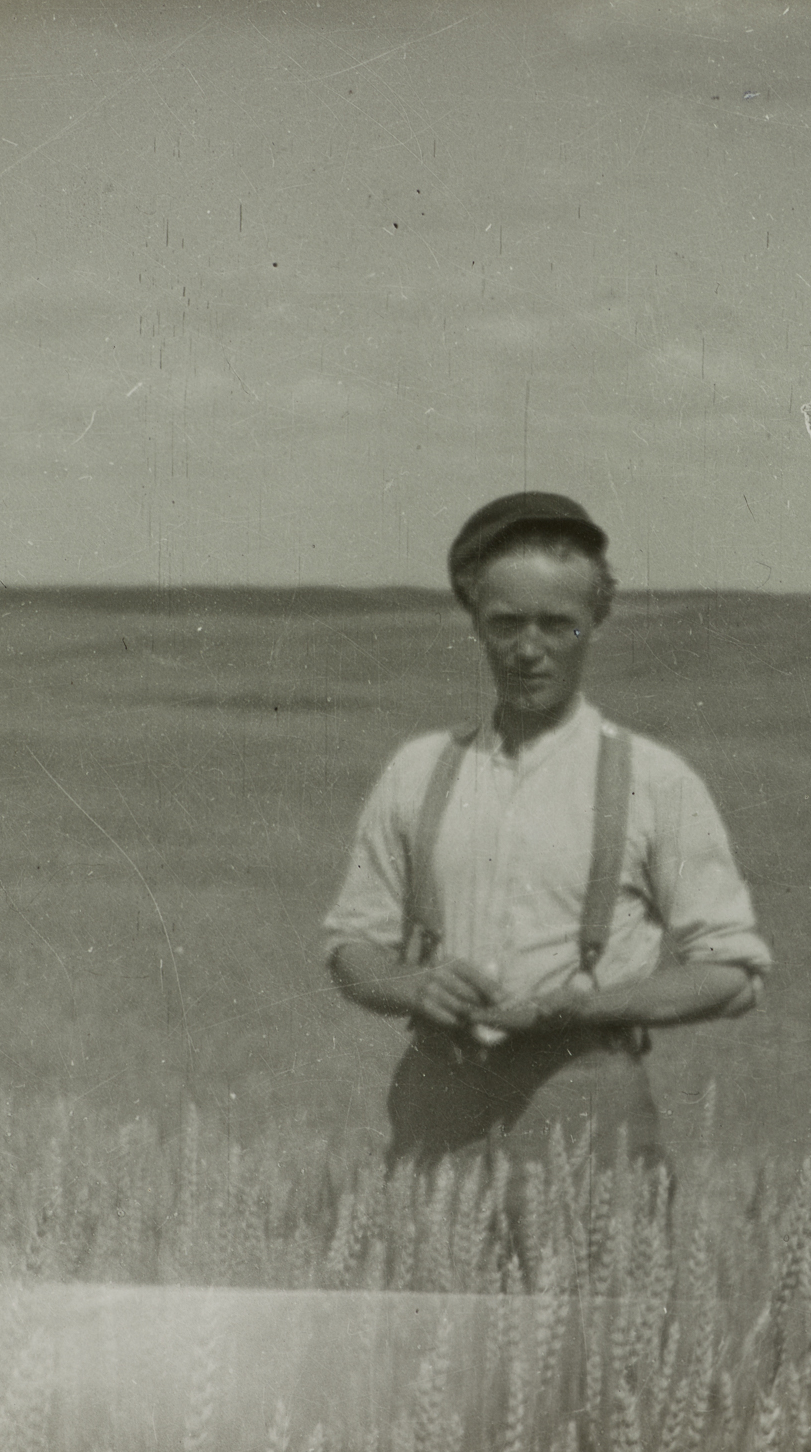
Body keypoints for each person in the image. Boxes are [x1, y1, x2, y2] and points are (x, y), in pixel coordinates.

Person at [322, 491, 770, 1187]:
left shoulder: (652, 780)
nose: (528, 650)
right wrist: (413, 986)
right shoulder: (417, 770)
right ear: (474, 620)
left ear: (596, 618)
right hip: (439, 1097)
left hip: (586, 1096)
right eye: (506, 624)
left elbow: (731, 975)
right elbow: (352, 947)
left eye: (556, 624)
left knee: (597, 1293)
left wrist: (585, 1006)